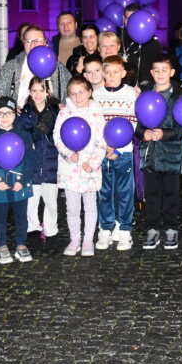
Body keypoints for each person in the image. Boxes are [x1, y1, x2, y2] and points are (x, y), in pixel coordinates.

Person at [134, 55, 182, 250]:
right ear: (151, 72)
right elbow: (137, 124)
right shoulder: (145, 95)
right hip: (149, 155)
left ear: (172, 72)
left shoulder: (179, 96)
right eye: (156, 70)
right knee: (152, 195)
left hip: (171, 155)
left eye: (164, 70)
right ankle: (152, 228)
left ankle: (172, 228)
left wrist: (165, 134)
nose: (160, 74)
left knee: (171, 195)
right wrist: (142, 133)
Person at [53, 75, 107, 256]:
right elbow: (57, 136)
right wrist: (69, 154)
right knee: (73, 207)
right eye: (73, 94)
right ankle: (75, 239)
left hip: (89, 169)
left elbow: (102, 141)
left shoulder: (97, 113)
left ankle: (88, 240)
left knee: (90, 205)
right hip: (70, 169)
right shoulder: (64, 112)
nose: (77, 97)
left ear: (89, 92)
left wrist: (93, 163)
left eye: (81, 92)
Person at [0, 97, 37, 264]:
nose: (5, 117)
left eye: (9, 113)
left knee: (21, 216)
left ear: (15, 114)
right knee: (0, 217)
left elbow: (30, 158)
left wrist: (24, 180)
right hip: (0, 184)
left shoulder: (24, 134)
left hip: (20, 183)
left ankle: (21, 245)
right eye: (0, 113)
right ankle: (2, 246)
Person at [94, 55, 138, 250]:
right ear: (103, 73)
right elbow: (94, 125)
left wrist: (118, 149)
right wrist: (105, 147)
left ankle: (125, 229)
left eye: (115, 72)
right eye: (108, 72)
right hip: (102, 153)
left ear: (123, 73)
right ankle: (105, 228)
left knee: (124, 192)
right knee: (104, 193)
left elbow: (134, 122)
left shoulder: (130, 94)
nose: (111, 76)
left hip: (124, 152)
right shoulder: (96, 94)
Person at [0, 25, 71, 108]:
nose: (33, 44)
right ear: (23, 43)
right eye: (28, 41)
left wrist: (64, 106)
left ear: (44, 42)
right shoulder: (10, 67)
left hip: (51, 118)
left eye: (38, 40)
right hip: (19, 118)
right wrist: (11, 107)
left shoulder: (58, 67)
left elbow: (71, 91)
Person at [20, 77, 61, 238]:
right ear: (29, 92)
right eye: (34, 90)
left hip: (51, 161)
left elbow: (59, 132)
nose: (38, 94)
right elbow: (24, 134)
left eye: (41, 90)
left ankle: (51, 230)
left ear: (47, 91)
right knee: (32, 199)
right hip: (32, 163)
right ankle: (33, 228)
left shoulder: (55, 110)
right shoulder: (25, 111)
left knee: (51, 200)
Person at [120, 5, 163, 89]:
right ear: (123, 19)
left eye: (133, 18)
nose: (130, 22)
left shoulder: (150, 40)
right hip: (122, 86)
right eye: (127, 18)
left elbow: (159, 63)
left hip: (145, 86)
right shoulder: (118, 37)